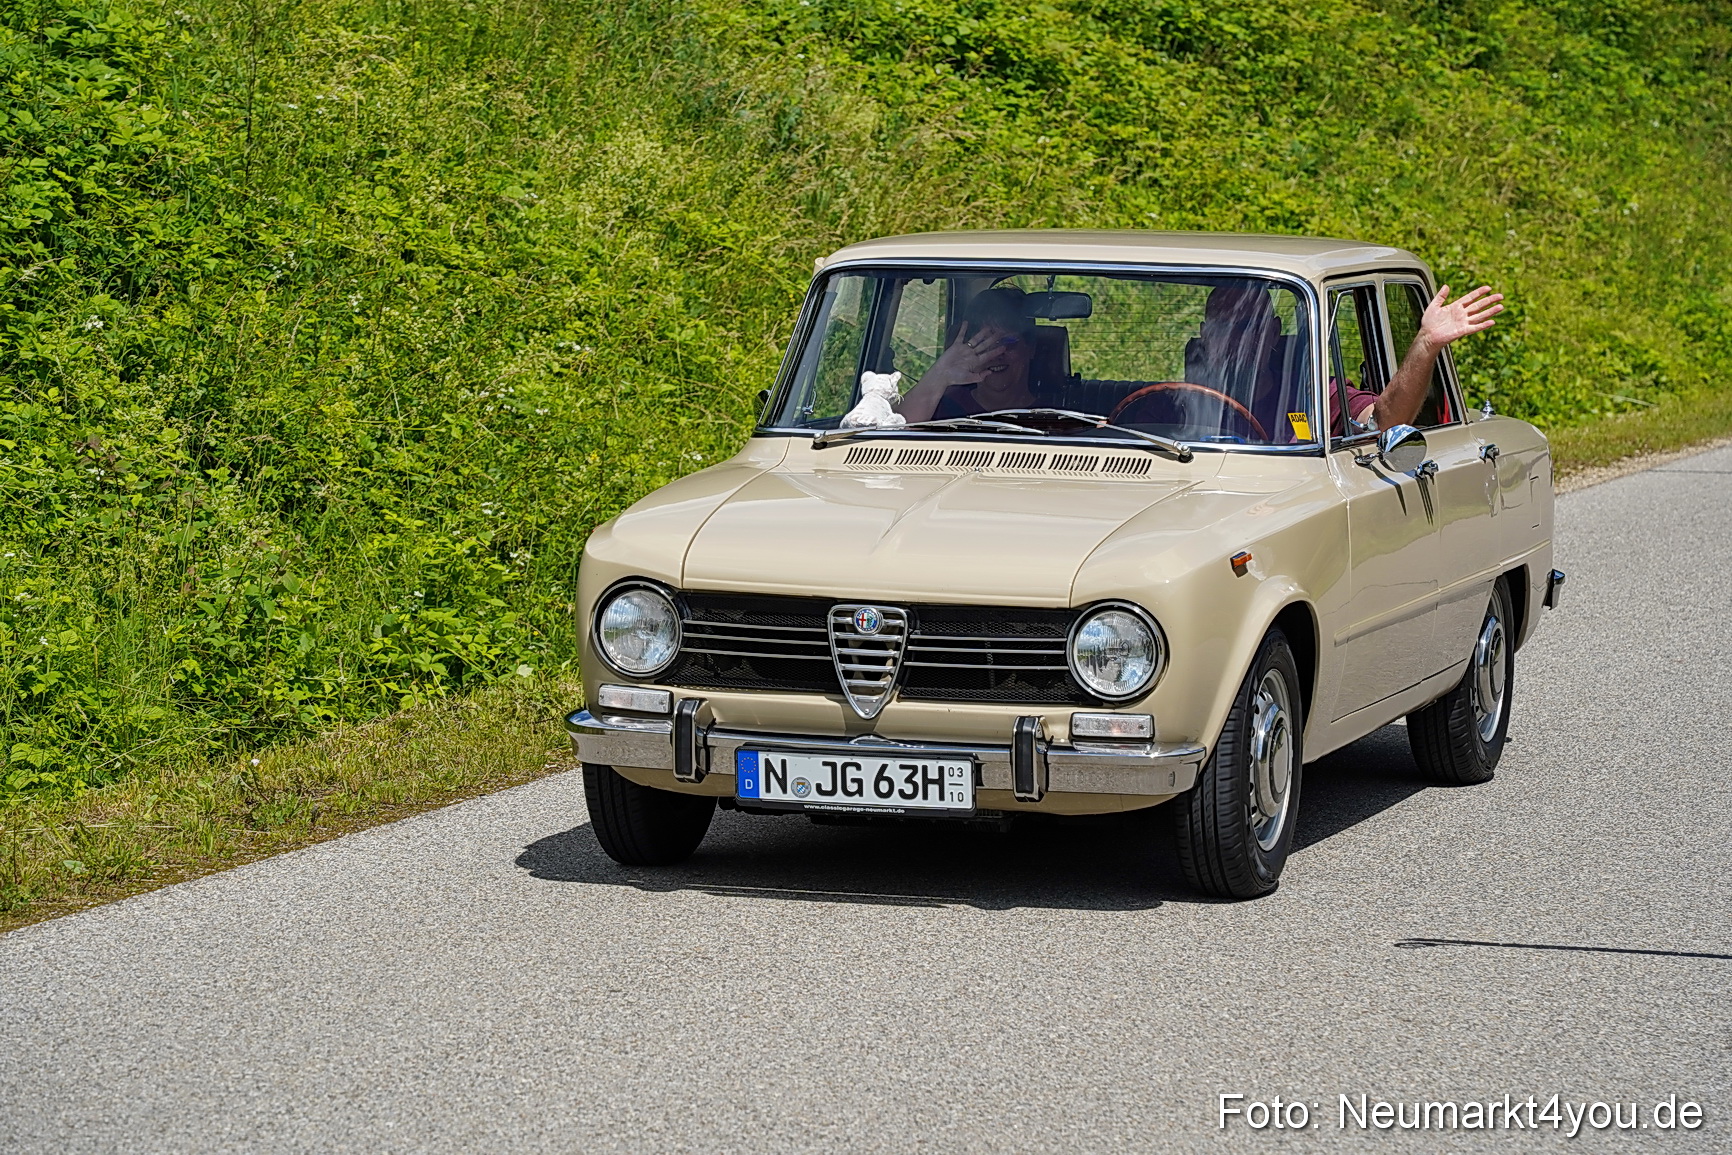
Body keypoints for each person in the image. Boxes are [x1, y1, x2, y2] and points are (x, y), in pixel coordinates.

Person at [1190, 282, 1504, 437]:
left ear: (1273, 332)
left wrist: (1426, 343)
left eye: (1248, 327)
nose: (1237, 341)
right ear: (1204, 334)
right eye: (1223, 327)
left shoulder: (1315, 398)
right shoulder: (1175, 401)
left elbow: (1385, 422)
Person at [895, 287, 1040, 423]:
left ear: (1031, 347)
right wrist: (941, 373)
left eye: (1008, 342)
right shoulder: (938, 409)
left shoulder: (1053, 415)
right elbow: (895, 429)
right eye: (984, 343)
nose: (996, 354)